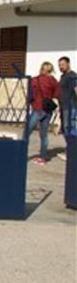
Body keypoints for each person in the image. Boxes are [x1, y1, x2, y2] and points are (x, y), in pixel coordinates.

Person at [28, 62, 58, 164]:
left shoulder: (35, 80)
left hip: (38, 108)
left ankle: (20, 153)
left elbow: (30, 94)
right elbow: (57, 94)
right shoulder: (53, 81)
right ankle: (43, 158)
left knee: (27, 132)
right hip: (48, 109)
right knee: (44, 134)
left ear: (41, 69)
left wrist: (31, 103)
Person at [58, 56, 77, 210]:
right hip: (63, 107)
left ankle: (70, 149)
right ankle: (69, 148)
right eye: (60, 65)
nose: (61, 67)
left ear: (68, 64)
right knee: (65, 129)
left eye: (63, 64)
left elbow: (76, 89)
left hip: (70, 108)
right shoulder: (63, 76)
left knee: (69, 129)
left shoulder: (72, 76)